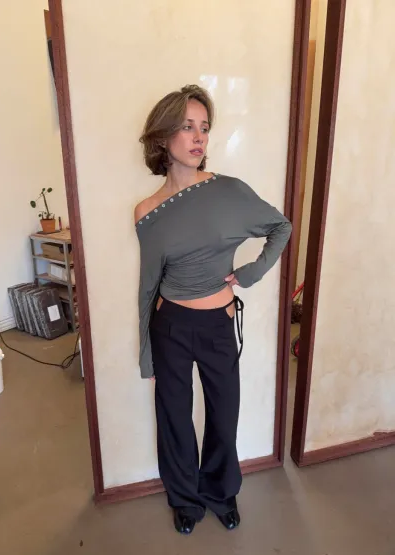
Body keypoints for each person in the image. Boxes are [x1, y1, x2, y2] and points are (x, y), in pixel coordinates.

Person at [135, 84, 292, 535]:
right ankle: (185, 499)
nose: (199, 136)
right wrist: (146, 353)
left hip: (218, 324)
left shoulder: (229, 192)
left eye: (204, 127)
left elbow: (280, 226)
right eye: (187, 127)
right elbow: (148, 286)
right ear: (163, 136)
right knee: (174, 417)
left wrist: (252, 273)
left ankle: (221, 493)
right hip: (170, 325)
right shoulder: (147, 212)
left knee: (223, 415)